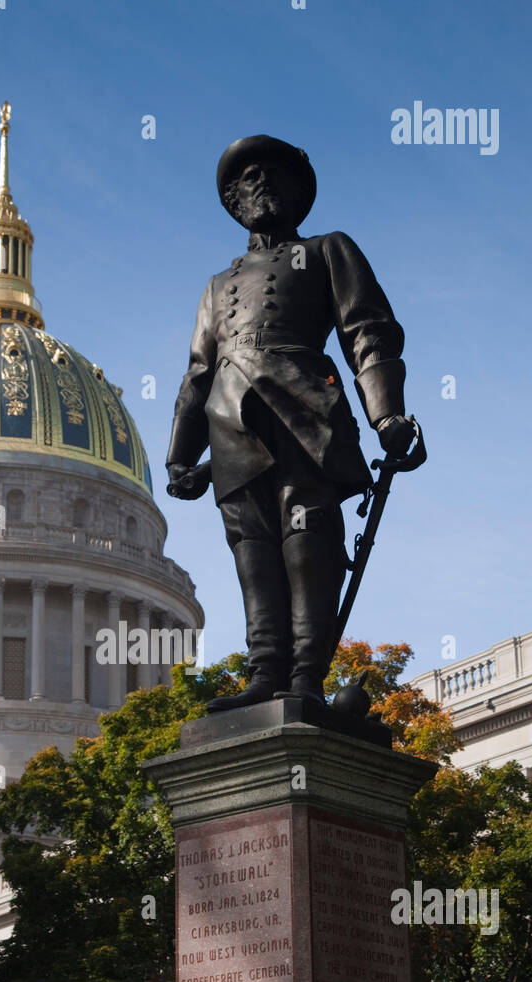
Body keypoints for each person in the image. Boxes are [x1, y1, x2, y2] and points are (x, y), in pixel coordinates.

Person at [166, 135, 417, 712]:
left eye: (273, 174)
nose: (261, 185)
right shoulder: (217, 285)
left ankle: (305, 677)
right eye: (248, 178)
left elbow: (368, 333)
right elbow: (198, 371)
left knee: (308, 538)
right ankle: (265, 672)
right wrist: (181, 455)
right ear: (233, 200)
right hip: (230, 420)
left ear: (299, 192)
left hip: (305, 406)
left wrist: (387, 416)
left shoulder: (330, 250)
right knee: (251, 545)